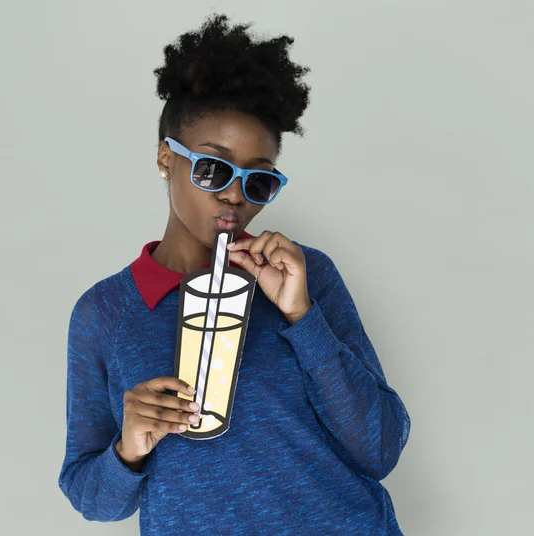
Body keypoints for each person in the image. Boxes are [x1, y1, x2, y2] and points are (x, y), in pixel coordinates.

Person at [57, 12, 411, 535]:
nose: (233, 196)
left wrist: (301, 315)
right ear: (164, 158)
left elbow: (380, 446)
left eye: (259, 181)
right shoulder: (105, 313)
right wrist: (126, 449)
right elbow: (93, 499)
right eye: (212, 168)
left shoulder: (304, 277)